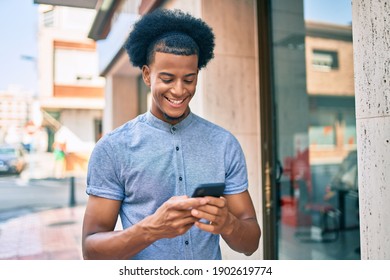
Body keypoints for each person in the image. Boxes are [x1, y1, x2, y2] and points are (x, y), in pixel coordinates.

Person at [82, 8, 261, 260]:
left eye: (189, 79)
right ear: (147, 75)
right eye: (167, 78)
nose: (179, 91)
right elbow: (91, 251)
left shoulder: (223, 144)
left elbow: (250, 243)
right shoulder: (113, 148)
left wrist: (228, 224)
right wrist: (150, 229)